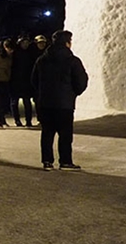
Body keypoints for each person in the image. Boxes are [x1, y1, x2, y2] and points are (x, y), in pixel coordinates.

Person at [30, 29, 88, 170]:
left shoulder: (42, 60)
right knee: (65, 134)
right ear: (67, 43)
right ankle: (65, 161)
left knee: (47, 133)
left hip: (45, 103)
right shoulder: (72, 60)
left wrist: (42, 93)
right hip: (65, 104)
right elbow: (81, 80)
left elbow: (34, 80)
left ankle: (47, 161)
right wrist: (73, 93)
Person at [9, 33, 37, 127]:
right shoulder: (15, 53)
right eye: (23, 42)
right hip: (16, 81)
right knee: (14, 102)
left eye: (26, 42)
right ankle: (17, 120)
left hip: (26, 81)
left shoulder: (30, 53)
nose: (25, 44)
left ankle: (28, 121)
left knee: (27, 102)